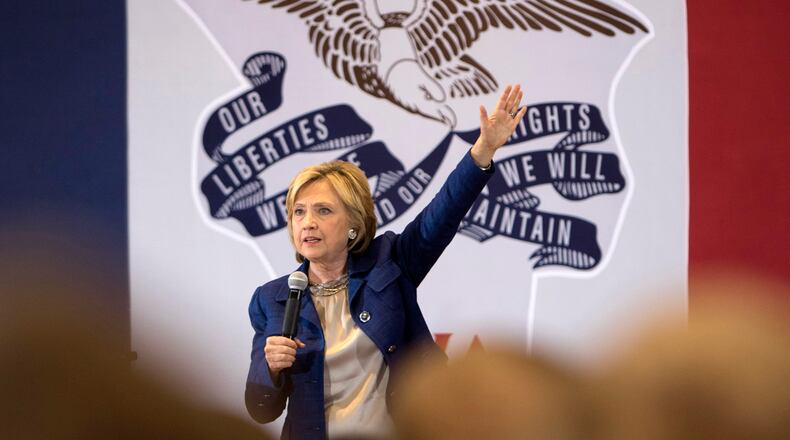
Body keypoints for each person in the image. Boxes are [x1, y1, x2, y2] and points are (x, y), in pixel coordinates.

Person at [244, 85, 527, 439]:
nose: (307, 222)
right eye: (298, 212)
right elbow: (260, 409)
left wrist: (483, 150)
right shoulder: (272, 299)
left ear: (352, 224)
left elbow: (441, 214)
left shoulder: (389, 263)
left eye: (323, 211)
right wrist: (270, 369)